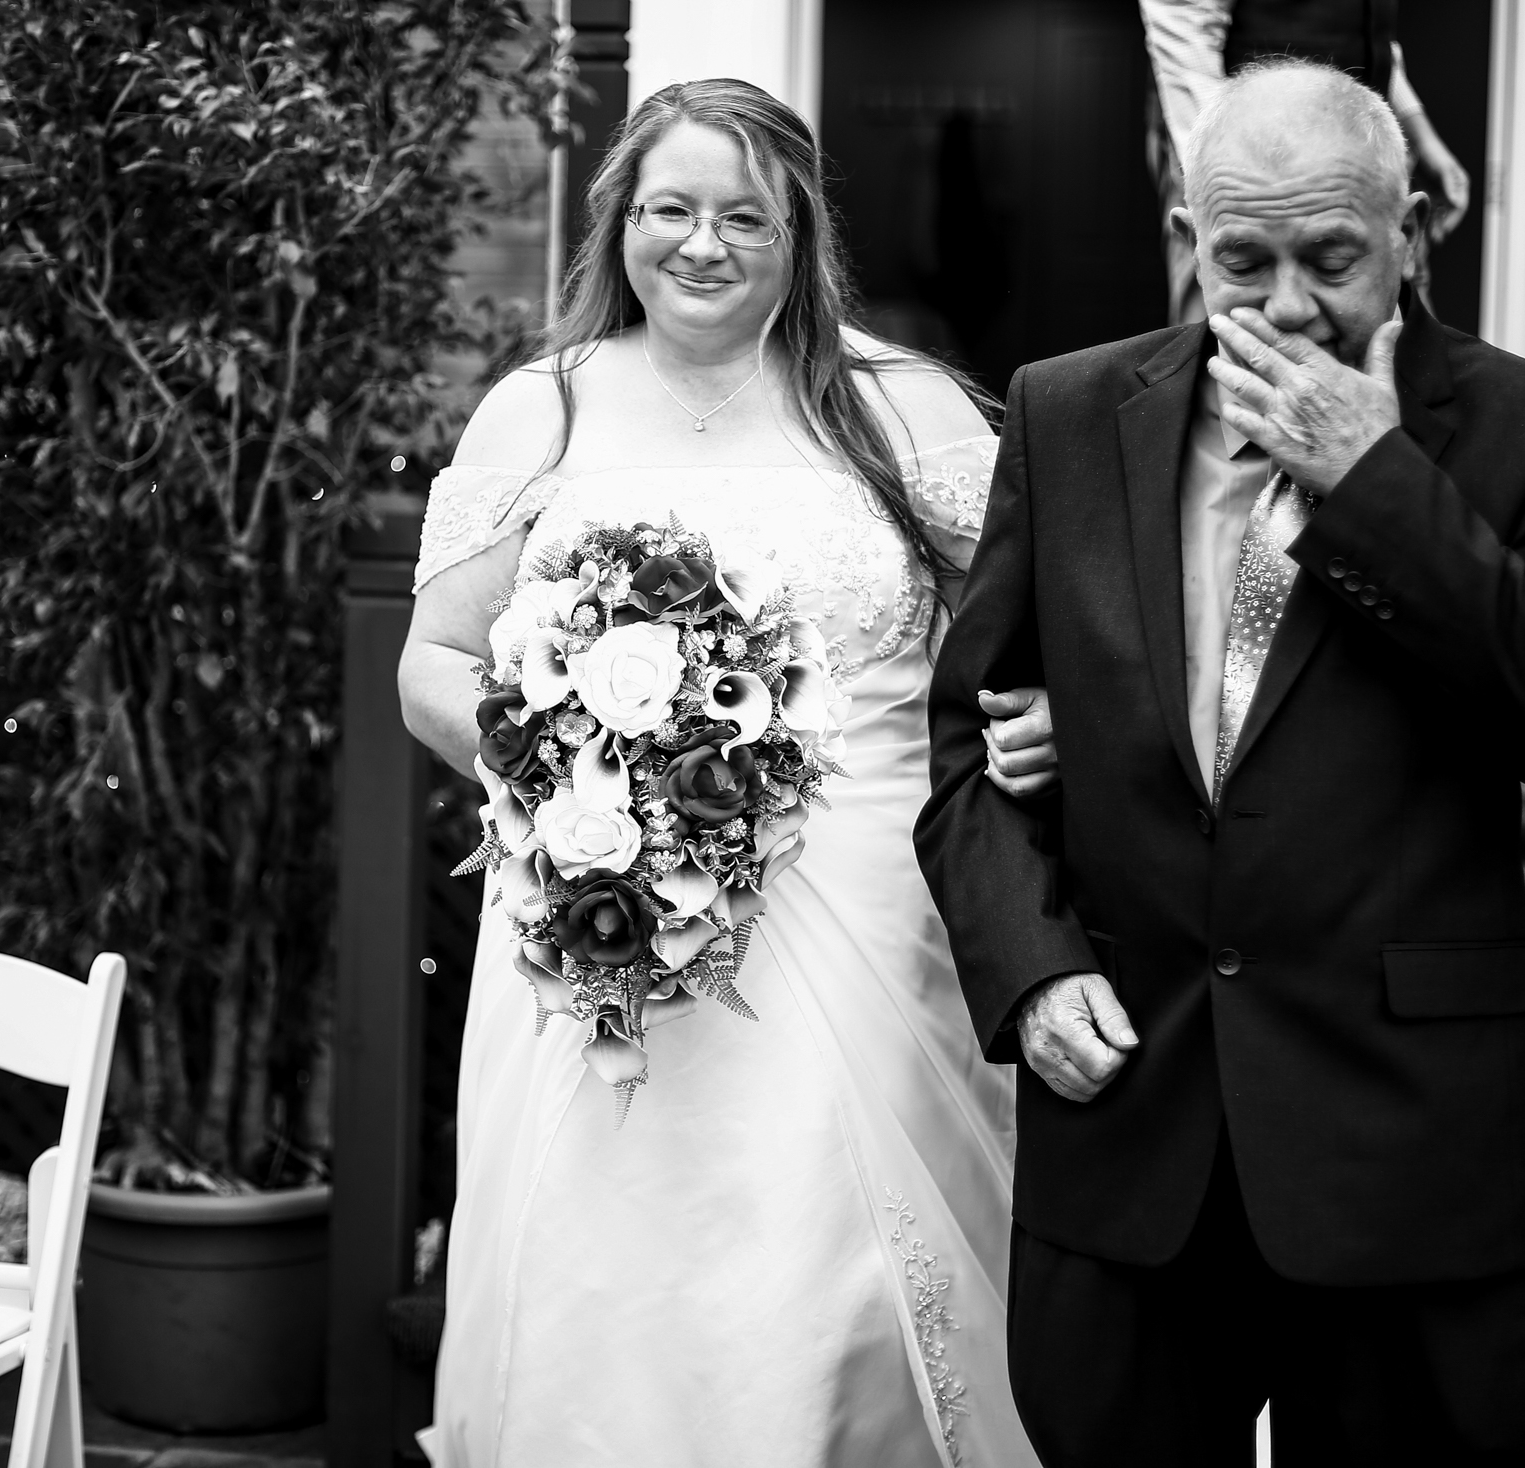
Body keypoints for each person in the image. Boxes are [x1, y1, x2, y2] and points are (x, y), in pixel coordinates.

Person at [917, 58, 1525, 1465]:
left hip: (1400, 1147)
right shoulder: (1070, 413)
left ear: (1415, 234)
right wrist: (1029, 960)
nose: (1285, 304)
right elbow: (968, 740)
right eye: (1242, 260)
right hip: (1130, 1125)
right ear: (1189, 245)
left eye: (1331, 258)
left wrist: (1377, 484)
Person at [398, 78, 1052, 1468]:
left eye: (744, 214)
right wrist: (569, 770)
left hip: (872, 920)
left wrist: (1036, 722)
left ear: (800, 229)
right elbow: (431, 664)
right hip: (597, 930)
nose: (703, 243)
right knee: (615, 1276)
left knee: (830, 1277)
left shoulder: (906, 410)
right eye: (672, 209)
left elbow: (1029, 640)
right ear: (622, 220)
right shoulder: (543, 410)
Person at [1141, 0, 1474, 323]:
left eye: (1335, 263)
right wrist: (1229, 171)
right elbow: (1183, 27)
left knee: (1405, 326)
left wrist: (1420, 134)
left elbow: (1375, 40)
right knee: (1225, 331)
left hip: (1363, 156)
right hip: (1249, 172)